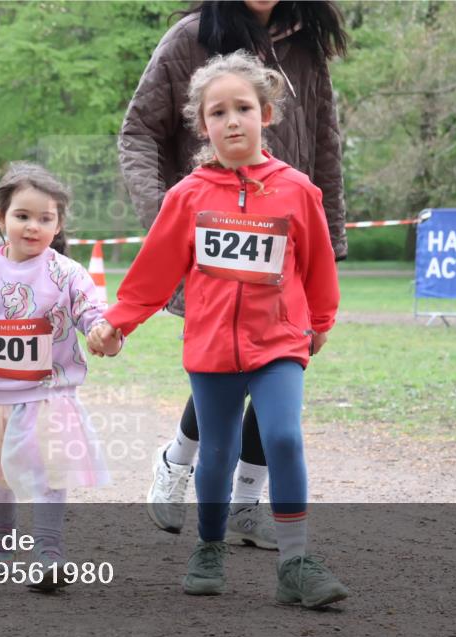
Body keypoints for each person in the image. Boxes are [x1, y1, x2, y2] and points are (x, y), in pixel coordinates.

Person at [91, 51, 346, 606]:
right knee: (218, 455)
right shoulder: (187, 196)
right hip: (210, 346)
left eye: (244, 108)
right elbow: (154, 272)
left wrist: (320, 320)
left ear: (268, 114)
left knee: (281, 435)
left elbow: (318, 265)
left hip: (279, 342)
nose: (232, 120)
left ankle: (296, 562)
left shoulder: (298, 189)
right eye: (218, 112)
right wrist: (118, 323)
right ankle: (209, 546)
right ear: (202, 125)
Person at [0, 163, 120, 589]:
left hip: (49, 393)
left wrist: (103, 336)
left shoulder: (68, 274)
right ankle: (1, 541)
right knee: (0, 475)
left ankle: (49, 553)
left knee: (50, 470)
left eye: (44, 219)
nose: (33, 226)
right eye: (22, 216)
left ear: (58, 224)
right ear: (1, 219)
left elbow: (94, 315)